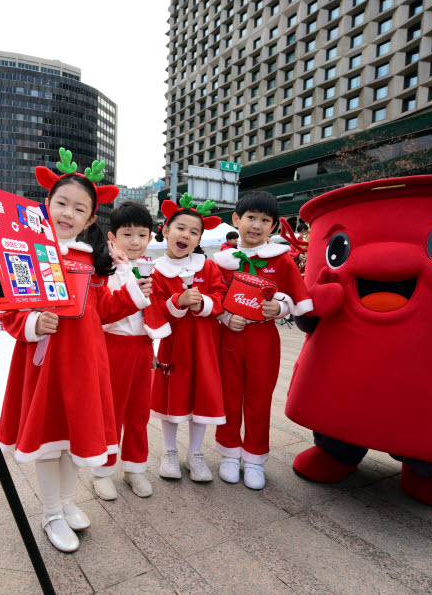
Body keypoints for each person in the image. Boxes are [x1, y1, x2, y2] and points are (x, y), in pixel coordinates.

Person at [0, 149, 151, 553]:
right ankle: (50, 513)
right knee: (49, 442)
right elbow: (7, 306)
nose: (68, 213)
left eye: (79, 208)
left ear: (90, 218)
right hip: (45, 363)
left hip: (84, 365)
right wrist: (30, 323)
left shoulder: (90, 260)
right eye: (61, 203)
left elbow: (99, 312)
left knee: (71, 439)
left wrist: (131, 284)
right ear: (46, 204)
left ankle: (66, 503)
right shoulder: (24, 249)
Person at [212, 192, 311, 489]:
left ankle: (255, 458)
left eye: (264, 220)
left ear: (273, 227)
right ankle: (229, 454)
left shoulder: (280, 260)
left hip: (264, 341)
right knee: (229, 396)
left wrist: (279, 308)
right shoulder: (221, 261)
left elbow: (297, 296)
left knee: (259, 398)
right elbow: (213, 295)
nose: (256, 225)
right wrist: (227, 317)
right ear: (237, 220)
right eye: (251, 218)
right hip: (228, 337)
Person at [91, 201, 171, 501]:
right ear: (113, 237)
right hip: (112, 348)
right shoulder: (105, 270)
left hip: (141, 349)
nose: (135, 241)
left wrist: (152, 347)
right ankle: (102, 471)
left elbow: (154, 314)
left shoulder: (152, 269)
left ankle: (135, 467)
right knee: (110, 414)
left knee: (138, 413)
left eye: (141, 234)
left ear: (150, 237)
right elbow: (104, 312)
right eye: (127, 234)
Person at [149, 194, 226, 482]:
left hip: (205, 346)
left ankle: (195, 454)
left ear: (199, 240)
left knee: (201, 398)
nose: (187, 235)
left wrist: (204, 302)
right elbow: (154, 311)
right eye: (181, 228)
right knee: (173, 399)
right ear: (166, 230)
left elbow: (221, 297)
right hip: (173, 347)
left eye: (195, 232)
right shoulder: (156, 271)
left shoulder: (207, 266)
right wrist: (177, 302)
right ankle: (169, 452)